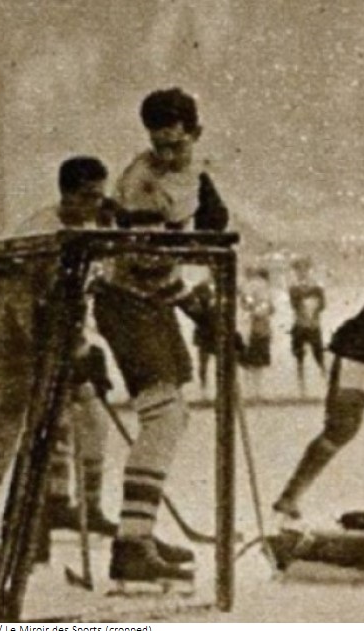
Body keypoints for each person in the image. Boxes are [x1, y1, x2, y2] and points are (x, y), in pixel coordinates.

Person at [0, 156, 117, 555]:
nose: (95, 204)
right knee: (9, 425)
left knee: (91, 417)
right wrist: (65, 351)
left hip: (56, 337)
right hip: (14, 341)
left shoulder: (85, 230)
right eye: (88, 196)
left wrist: (83, 348)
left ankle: (73, 505)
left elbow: (76, 299)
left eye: (99, 196)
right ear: (67, 194)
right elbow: (22, 304)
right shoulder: (41, 234)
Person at [93, 87, 229, 584]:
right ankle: (131, 546)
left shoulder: (195, 173)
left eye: (177, 144)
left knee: (174, 414)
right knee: (164, 415)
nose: (167, 154)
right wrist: (197, 309)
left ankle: (139, 533)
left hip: (152, 301)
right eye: (159, 144)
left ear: (196, 133)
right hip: (128, 299)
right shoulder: (142, 181)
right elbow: (145, 263)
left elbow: (197, 230)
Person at [273, 256, 364, 520]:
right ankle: (289, 498)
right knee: (340, 431)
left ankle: (289, 497)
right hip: (360, 357)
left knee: (339, 432)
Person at [288, 256, 326, 396]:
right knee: (299, 358)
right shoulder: (294, 287)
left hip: (313, 325)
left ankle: (326, 383)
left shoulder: (316, 287)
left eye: (304, 269)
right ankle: (302, 388)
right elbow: (294, 304)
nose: (302, 272)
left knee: (319, 356)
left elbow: (323, 305)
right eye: (299, 270)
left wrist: (313, 307)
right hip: (300, 324)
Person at [239, 266, 274, 400]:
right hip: (251, 329)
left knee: (257, 362)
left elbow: (268, 308)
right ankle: (251, 391)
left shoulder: (260, 289)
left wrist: (261, 309)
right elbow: (249, 307)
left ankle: (255, 391)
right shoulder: (248, 290)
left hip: (260, 328)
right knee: (250, 361)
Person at [191, 279, 215, 400]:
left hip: (204, 337)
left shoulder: (198, 307)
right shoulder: (210, 305)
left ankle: (204, 389)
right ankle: (205, 389)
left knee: (203, 364)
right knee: (207, 364)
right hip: (211, 336)